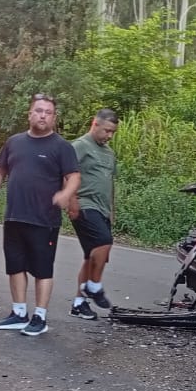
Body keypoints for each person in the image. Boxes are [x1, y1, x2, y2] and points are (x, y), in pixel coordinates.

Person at [0, 93, 81, 337]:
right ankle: (18, 313)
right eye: (38, 110)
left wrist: (65, 194)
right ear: (29, 114)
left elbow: (74, 176)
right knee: (15, 266)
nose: (43, 115)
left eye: (48, 112)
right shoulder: (14, 142)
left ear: (54, 118)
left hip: (44, 219)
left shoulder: (62, 147)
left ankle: (40, 316)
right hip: (15, 216)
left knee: (42, 269)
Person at [67, 108, 119, 319]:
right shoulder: (80, 146)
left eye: (113, 132)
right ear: (94, 124)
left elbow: (110, 182)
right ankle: (94, 286)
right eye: (106, 130)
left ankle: (79, 303)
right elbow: (66, 172)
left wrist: (112, 210)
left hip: (102, 208)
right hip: (84, 204)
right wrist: (72, 201)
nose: (109, 136)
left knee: (93, 256)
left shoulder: (109, 152)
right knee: (104, 241)